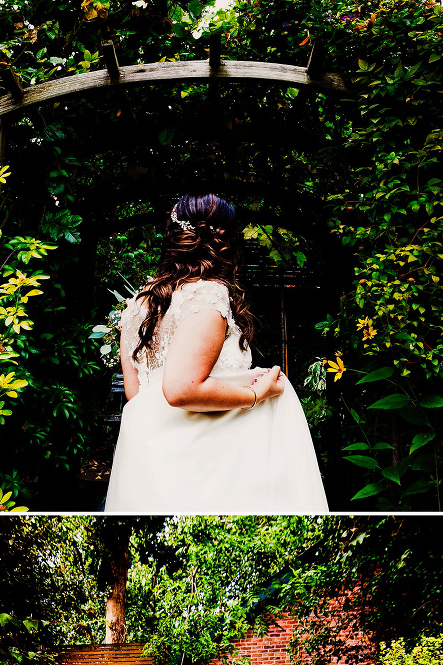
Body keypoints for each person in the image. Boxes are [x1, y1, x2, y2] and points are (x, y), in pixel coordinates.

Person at [104, 193, 329, 513]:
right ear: (224, 238)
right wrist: (255, 393)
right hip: (210, 462)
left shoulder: (140, 303)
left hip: (150, 459)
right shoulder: (207, 296)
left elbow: (135, 394)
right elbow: (182, 389)